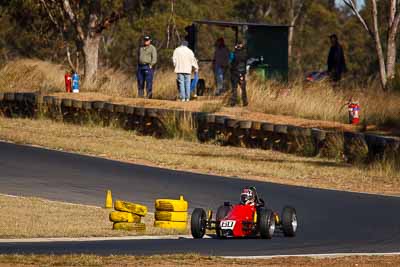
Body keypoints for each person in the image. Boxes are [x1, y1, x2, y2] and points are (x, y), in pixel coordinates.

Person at [230, 41, 248, 107]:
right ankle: (245, 102)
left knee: (234, 88)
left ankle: (233, 102)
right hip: (242, 73)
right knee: (243, 88)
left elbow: (230, 61)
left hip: (234, 73)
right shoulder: (245, 54)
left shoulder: (233, 54)